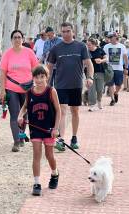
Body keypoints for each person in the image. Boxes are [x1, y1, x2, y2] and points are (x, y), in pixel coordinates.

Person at [47, 22, 94, 151]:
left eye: (68, 31)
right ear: (60, 33)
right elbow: (49, 68)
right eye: (63, 32)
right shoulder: (56, 49)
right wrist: (46, 84)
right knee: (62, 111)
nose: (66, 34)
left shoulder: (81, 46)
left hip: (76, 85)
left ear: (73, 32)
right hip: (60, 85)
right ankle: (61, 139)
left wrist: (90, 77)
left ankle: (74, 137)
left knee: (75, 111)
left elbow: (89, 64)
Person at [17, 65, 61, 196]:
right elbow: (25, 107)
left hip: (48, 129)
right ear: (33, 78)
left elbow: (58, 110)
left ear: (47, 77)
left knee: (49, 155)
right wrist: (20, 115)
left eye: (42, 77)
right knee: (36, 154)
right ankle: (36, 183)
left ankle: (55, 173)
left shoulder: (51, 91)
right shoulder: (30, 92)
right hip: (35, 128)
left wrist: (56, 128)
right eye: (36, 77)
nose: (39, 79)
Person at [0, 30, 39, 152]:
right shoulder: (7, 54)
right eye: (15, 37)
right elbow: (3, 73)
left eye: (19, 37)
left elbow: (36, 69)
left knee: (25, 115)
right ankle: (16, 141)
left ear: (23, 39)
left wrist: (38, 85)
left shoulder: (29, 52)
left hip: (27, 89)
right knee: (15, 115)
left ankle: (21, 136)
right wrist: (2, 90)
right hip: (11, 88)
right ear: (11, 40)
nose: (17, 39)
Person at [103, 32, 129, 106]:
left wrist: (126, 68)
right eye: (109, 37)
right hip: (109, 69)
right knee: (110, 84)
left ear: (115, 37)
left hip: (119, 69)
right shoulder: (106, 46)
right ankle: (112, 99)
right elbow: (103, 56)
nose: (110, 38)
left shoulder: (122, 46)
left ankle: (116, 93)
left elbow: (126, 58)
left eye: (111, 37)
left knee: (119, 84)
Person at [86, 38, 107, 111]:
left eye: (89, 45)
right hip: (90, 73)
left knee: (100, 89)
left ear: (94, 44)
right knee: (91, 89)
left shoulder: (100, 50)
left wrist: (101, 61)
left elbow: (106, 58)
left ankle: (99, 101)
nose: (88, 46)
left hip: (100, 72)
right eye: (87, 45)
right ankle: (92, 104)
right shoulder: (86, 52)